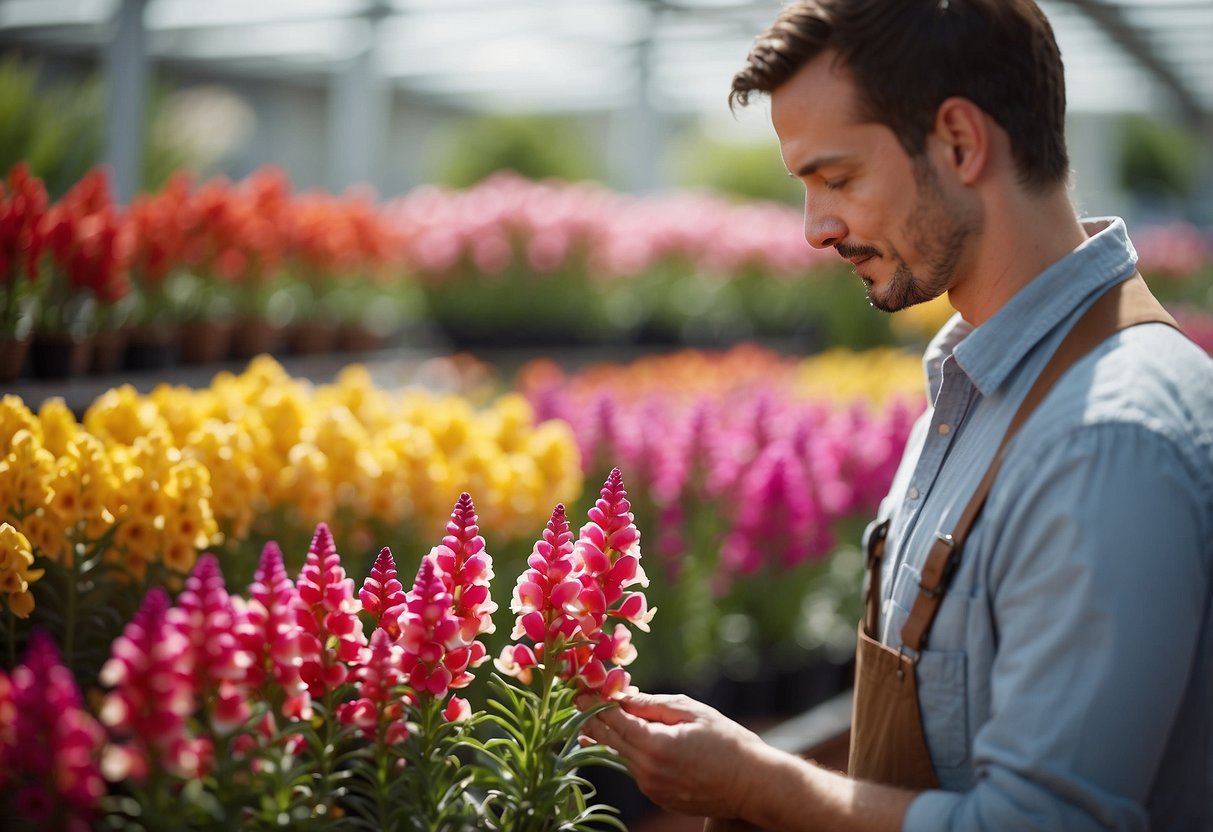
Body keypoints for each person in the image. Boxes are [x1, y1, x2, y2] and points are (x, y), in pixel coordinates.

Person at [578, 1, 1213, 829]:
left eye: (837, 179)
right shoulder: (978, 383)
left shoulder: (1102, 437)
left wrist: (761, 787)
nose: (815, 229)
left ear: (959, 142)